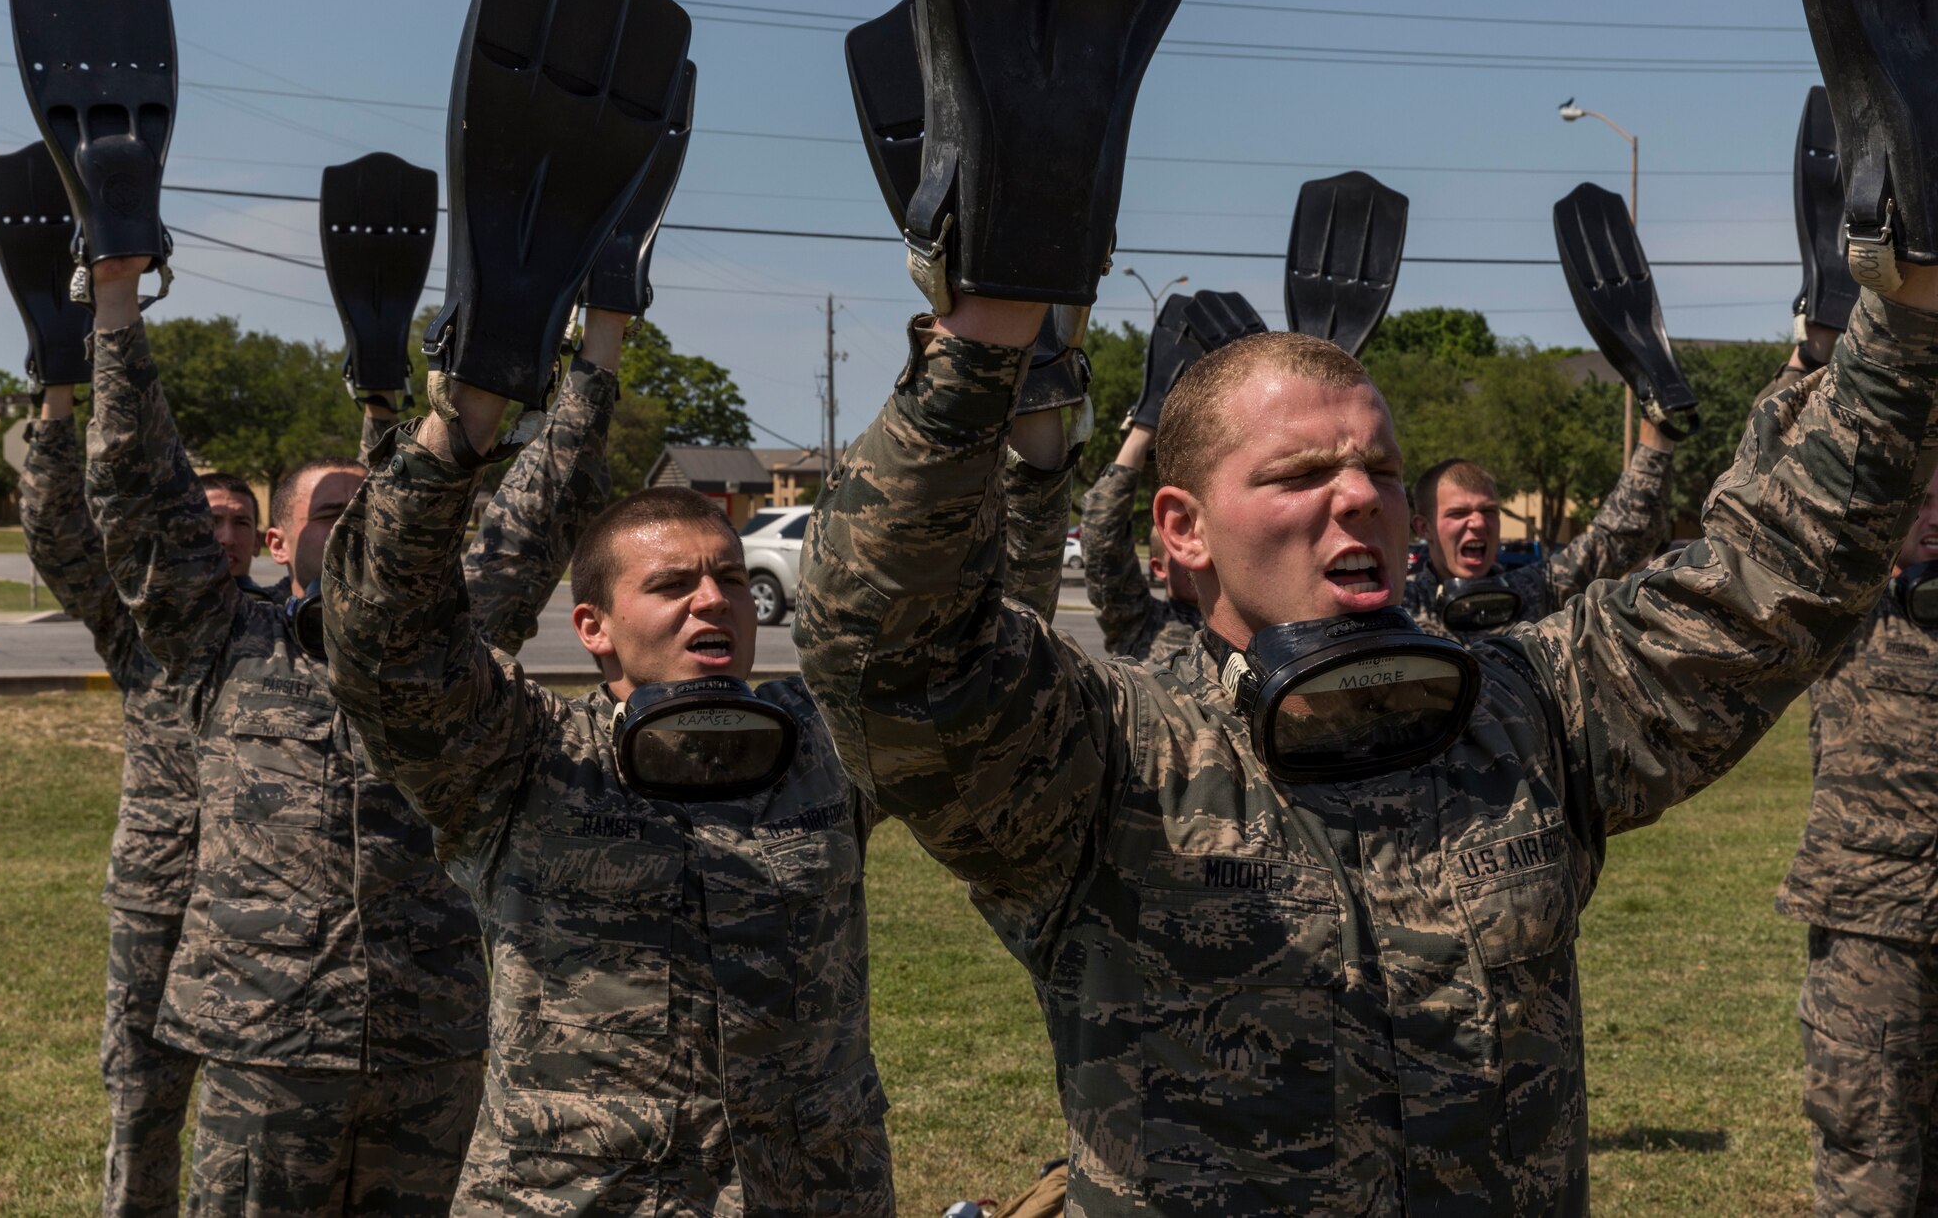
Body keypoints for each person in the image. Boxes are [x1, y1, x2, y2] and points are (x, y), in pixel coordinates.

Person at [795, 266, 1938, 1211]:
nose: (1357, 498)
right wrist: (985, 324)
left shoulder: (1524, 706)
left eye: (1379, 470)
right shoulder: (1109, 753)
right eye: (1298, 473)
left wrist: (1904, 296)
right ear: (1180, 531)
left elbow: (1772, 579)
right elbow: (885, 649)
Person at [320, 309, 1077, 1213]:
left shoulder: (821, 740)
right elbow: (382, 640)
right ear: (592, 627)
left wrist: (1028, 447)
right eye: (673, 585)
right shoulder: (522, 755)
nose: (713, 601)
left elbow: (976, 653)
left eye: (726, 578)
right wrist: (463, 417)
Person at [79, 255, 620, 1216]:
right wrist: (116, 302)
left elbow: (549, 502)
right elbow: (137, 489)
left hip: (431, 1036)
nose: (359, 519)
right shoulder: (220, 638)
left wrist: (604, 339)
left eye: (370, 503)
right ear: (281, 541)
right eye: (333, 511)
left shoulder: (452, 639)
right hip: (270, 1042)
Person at [19, 406, 268, 1217]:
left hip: (265, 907)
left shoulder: (288, 631)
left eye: (239, 521)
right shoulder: (141, 623)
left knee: (261, 1109)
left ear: (264, 540)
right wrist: (56, 416)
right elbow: (59, 538)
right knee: (141, 1099)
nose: (223, 532)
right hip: (158, 894)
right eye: (208, 516)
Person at [1753, 320, 1938, 1217]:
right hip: (1873, 930)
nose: (1935, 510)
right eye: (1921, 493)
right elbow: (1769, 481)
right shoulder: (1846, 600)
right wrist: (1815, 355)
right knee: (1873, 1172)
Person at [1402, 423, 1675, 642]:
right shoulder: (1402, 607)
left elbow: (1621, 538)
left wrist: (1658, 428)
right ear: (1423, 527)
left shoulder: (1534, 589)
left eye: (1488, 511)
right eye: (1458, 513)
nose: (1478, 523)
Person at [1081, 424, 1200, 662]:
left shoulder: (1247, 621)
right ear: (1158, 568)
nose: (1194, 554)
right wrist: (1143, 428)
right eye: (1178, 548)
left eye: (1201, 542)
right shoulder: (1142, 622)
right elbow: (1102, 543)